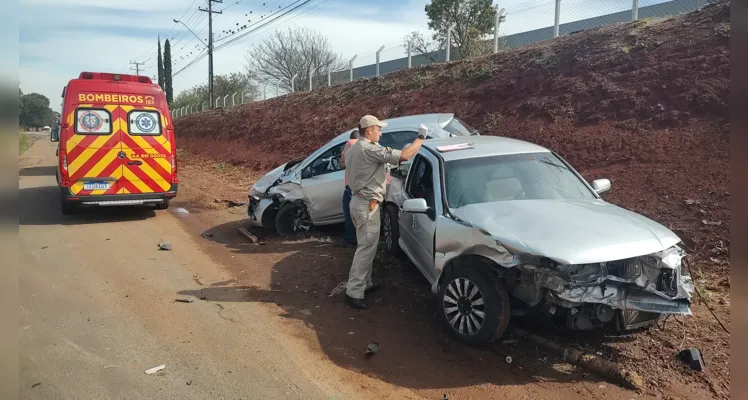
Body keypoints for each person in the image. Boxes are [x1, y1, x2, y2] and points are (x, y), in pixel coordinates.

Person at [343, 115, 427, 310]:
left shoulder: (353, 149)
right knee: (365, 249)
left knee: (367, 246)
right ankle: (354, 292)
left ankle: (365, 284)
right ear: (369, 130)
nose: (380, 132)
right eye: (378, 129)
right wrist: (421, 138)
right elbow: (405, 156)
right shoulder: (369, 149)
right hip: (366, 205)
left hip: (359, 202)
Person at [338, 128, 360, 248]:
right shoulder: (367, 146)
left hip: (351, 186)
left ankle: (350, 240)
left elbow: (342, 163)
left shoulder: (350, 143)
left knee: (350, 214)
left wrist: (341, 162)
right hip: (360, 186)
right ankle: (351, 239)